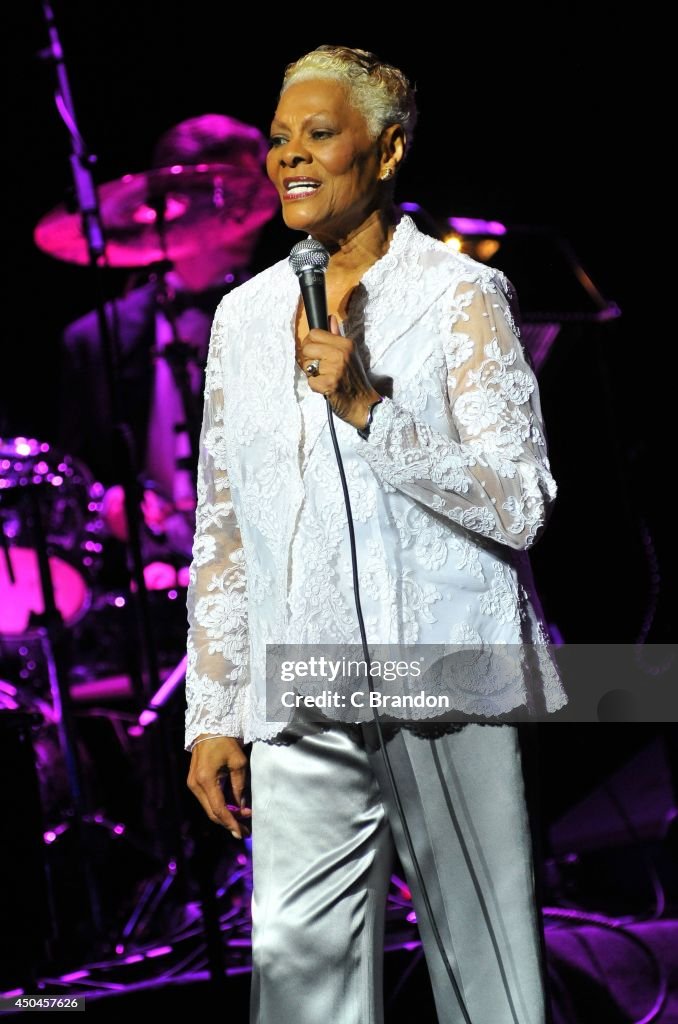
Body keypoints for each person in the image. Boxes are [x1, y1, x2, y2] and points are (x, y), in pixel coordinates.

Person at [185, 46, 567, 1024]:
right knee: (296, 968)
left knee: (489, 980)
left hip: (442, 676)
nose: (290, 159)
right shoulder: (241, 318)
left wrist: (372, 412)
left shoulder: (459, 298)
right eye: (278, 140)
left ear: (386, 151)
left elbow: (522, 502)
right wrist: (213, 710)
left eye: (319, 134)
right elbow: (223, 529)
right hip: (302, 687)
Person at [58, 114, 278, 587]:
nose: (251, 210)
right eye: (227, 192)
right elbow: (74, 483)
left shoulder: (287, 314)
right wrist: (108, 500)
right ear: (175, 203)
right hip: (148, 587)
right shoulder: (95, 339)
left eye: (255, 191)